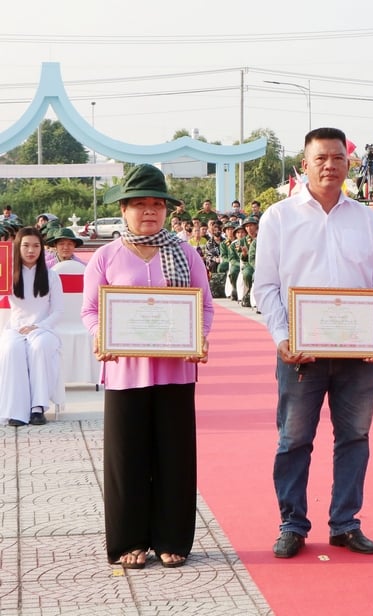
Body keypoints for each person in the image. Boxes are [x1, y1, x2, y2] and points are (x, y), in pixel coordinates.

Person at [251, 127, 373, 559]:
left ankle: (345, 523)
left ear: (348, 164)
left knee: (355, 437)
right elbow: (266, 286)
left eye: (337, 158)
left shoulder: (366, 219)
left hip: (356, 356)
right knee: (293, 441)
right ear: (305, 163)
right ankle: (292, 523)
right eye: (321, 159)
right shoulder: (278, 217)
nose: (330, 165)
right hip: (301, 354)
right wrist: (282, 337)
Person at [81, 164, 213, 569]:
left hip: (175, 370)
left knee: (175, 456)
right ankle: (128, 540)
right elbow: (90, 311)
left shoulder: (185, 251)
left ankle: (173, 539)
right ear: (123, 209)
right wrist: (101, 335)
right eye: (140, 204)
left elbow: (203, 305)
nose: (149, 211)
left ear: (168, 210)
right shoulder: (106, 257)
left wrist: (200, 336)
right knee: (127, 459)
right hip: (125, 372)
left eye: (157, 204)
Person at [0, 227, 63, 427]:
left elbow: (58, 311)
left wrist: (38, 326)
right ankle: (16, 409)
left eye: (36, 246)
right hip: (15, 329)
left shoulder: (51, 276)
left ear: (42, 249)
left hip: (43, 329)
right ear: (18, 247)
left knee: (40, 347)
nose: (31, 250)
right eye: (26, 245)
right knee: (12, 349)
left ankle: (38, 407)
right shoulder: (9, 275)